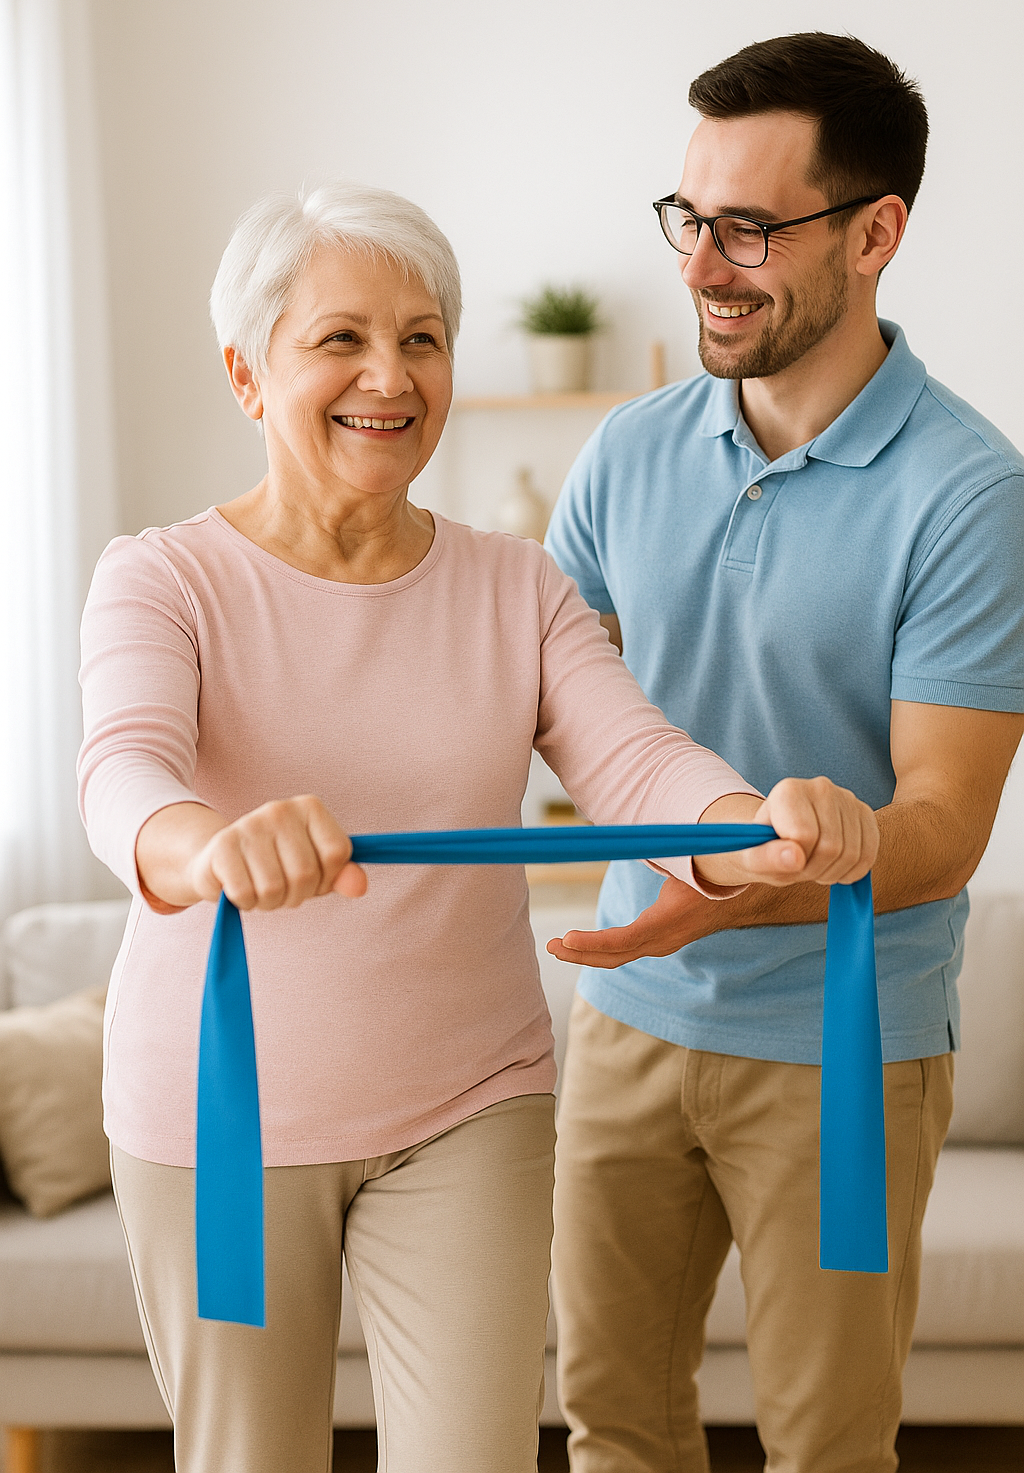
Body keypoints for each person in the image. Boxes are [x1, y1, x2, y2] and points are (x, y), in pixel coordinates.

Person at [77, 181, 876, 1473]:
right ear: (246, 372)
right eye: (340, 339)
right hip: (220, 1103)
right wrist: (201, 845)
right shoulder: (162, 579)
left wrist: (755, 823)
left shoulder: (517, 582)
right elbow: (123, 772)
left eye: (423, 337)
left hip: (470, 1096)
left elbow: (636, 763)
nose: (389, 375)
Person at [545, 33, 1024, 1473]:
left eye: (750, 228)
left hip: (842, 1045)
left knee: (829, 1446)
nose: (701, 266)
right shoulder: (624, 453)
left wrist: (843, 842)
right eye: (691, 219)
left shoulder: (970, 495)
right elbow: (551, 704)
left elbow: (946, 818)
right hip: (630, 1016)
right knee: (614, 1421)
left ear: (877, 233)